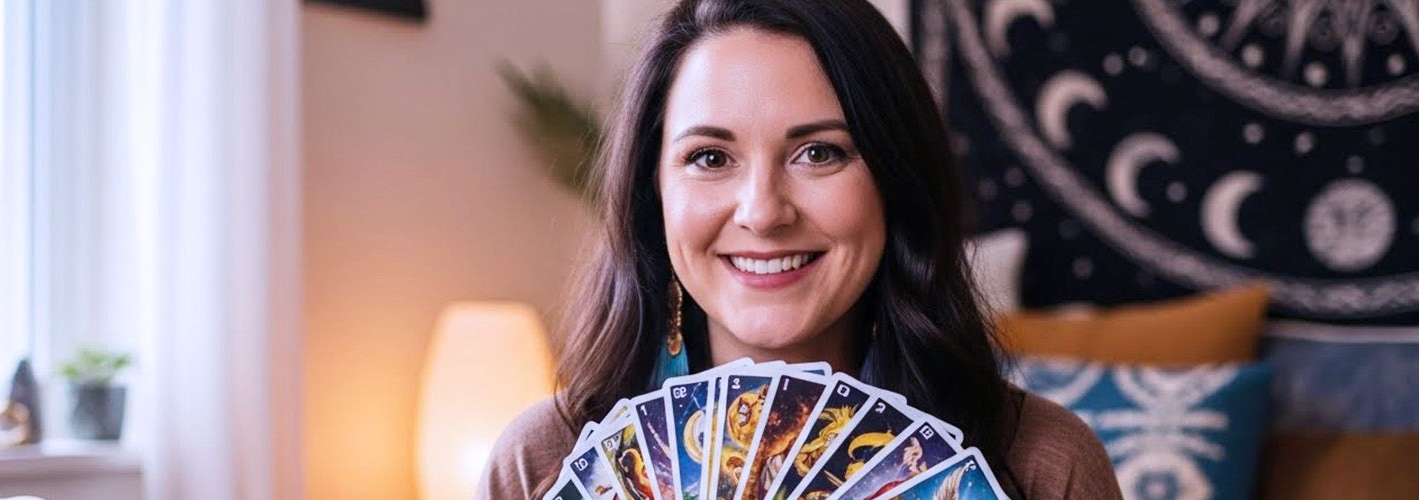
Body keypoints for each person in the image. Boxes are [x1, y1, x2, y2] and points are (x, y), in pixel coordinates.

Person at [479, 0, 1121, 498]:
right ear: (655, 195)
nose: (762, 212)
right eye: (710, 157)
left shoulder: (1041, 463)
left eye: (819, 153)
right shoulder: (543, 460)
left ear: (896, 181)